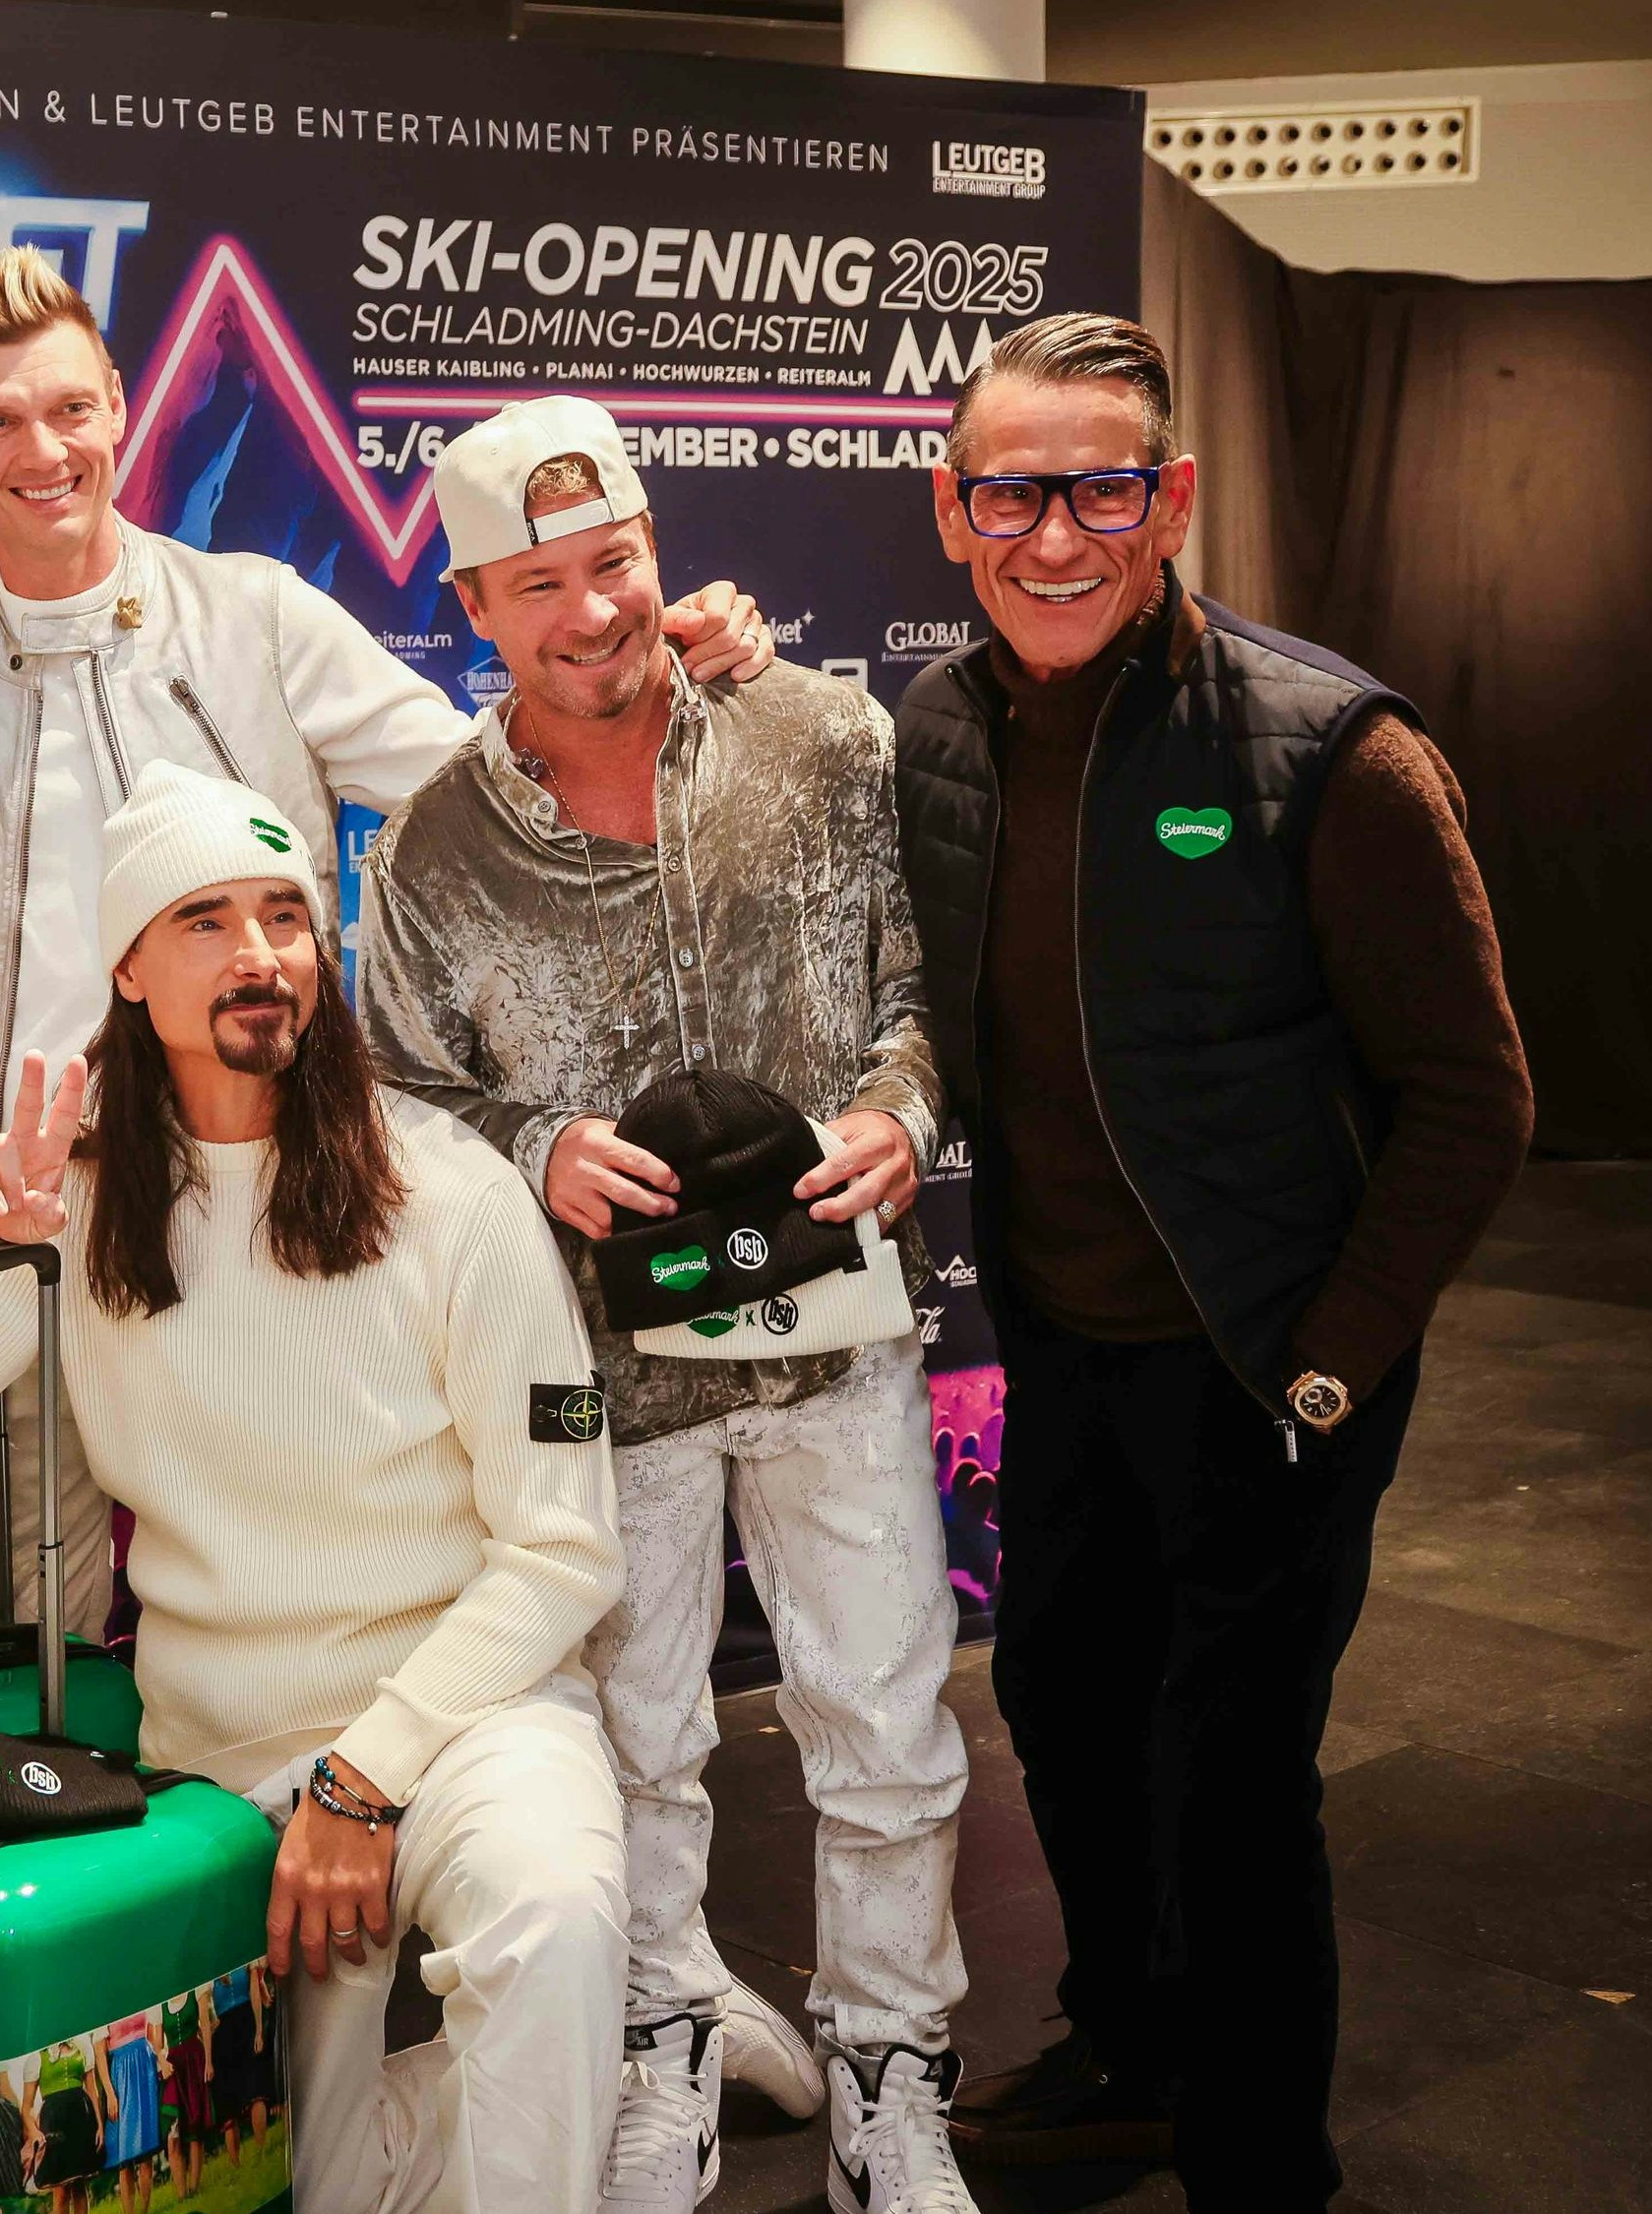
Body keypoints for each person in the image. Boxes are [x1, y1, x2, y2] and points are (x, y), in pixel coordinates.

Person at [0, 246, 772, 1635]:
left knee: (307, 1598)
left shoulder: (252, 616)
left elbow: (489, 784)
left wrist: (650, 670)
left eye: (68, 409)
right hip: (8, 1211)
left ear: (120, 406)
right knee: (12, 1648)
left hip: (253, 1206)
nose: (43, 451)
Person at [892, 315, 1531, 2209]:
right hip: (1068, 1346)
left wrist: (1331, 1361)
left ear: (1171, 502)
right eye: (1013, 493)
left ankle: (1262, 2161)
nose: (1055, 536)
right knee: (1063, 1707)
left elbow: (1474, 1099)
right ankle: (1137, 2052)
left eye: (1102, 490)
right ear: (952, 508)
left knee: (1232, 1774)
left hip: (1273, 1362)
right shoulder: (940, 731)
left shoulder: (1333, 751)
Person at [0, 764, 628, 2213]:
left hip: (465, 1720)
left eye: (284, 915)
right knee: (315, 2185)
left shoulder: (455, 1190)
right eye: (205, 919)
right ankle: (531, 2119)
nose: (260, 954)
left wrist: (365, 1778)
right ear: (130, 969)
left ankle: (569, 2114)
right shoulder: (79, 1201)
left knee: (553, 1919)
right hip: (225, 1763)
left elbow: (565, 1548)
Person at [360, 394, 975, 2214]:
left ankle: (893, 2077)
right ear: (474, 605)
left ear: (655, 546)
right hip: (599, 1374)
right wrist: (533, 1144)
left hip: (834, 1334)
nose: (592, 610)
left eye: (613, 560)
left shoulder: (825, 736)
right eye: (539, 582)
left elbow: (923, 988)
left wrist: (900, 1111)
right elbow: (398, 1092)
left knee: (888, 1725)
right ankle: (664, 2044)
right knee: (633, 1745)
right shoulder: (433, 847)